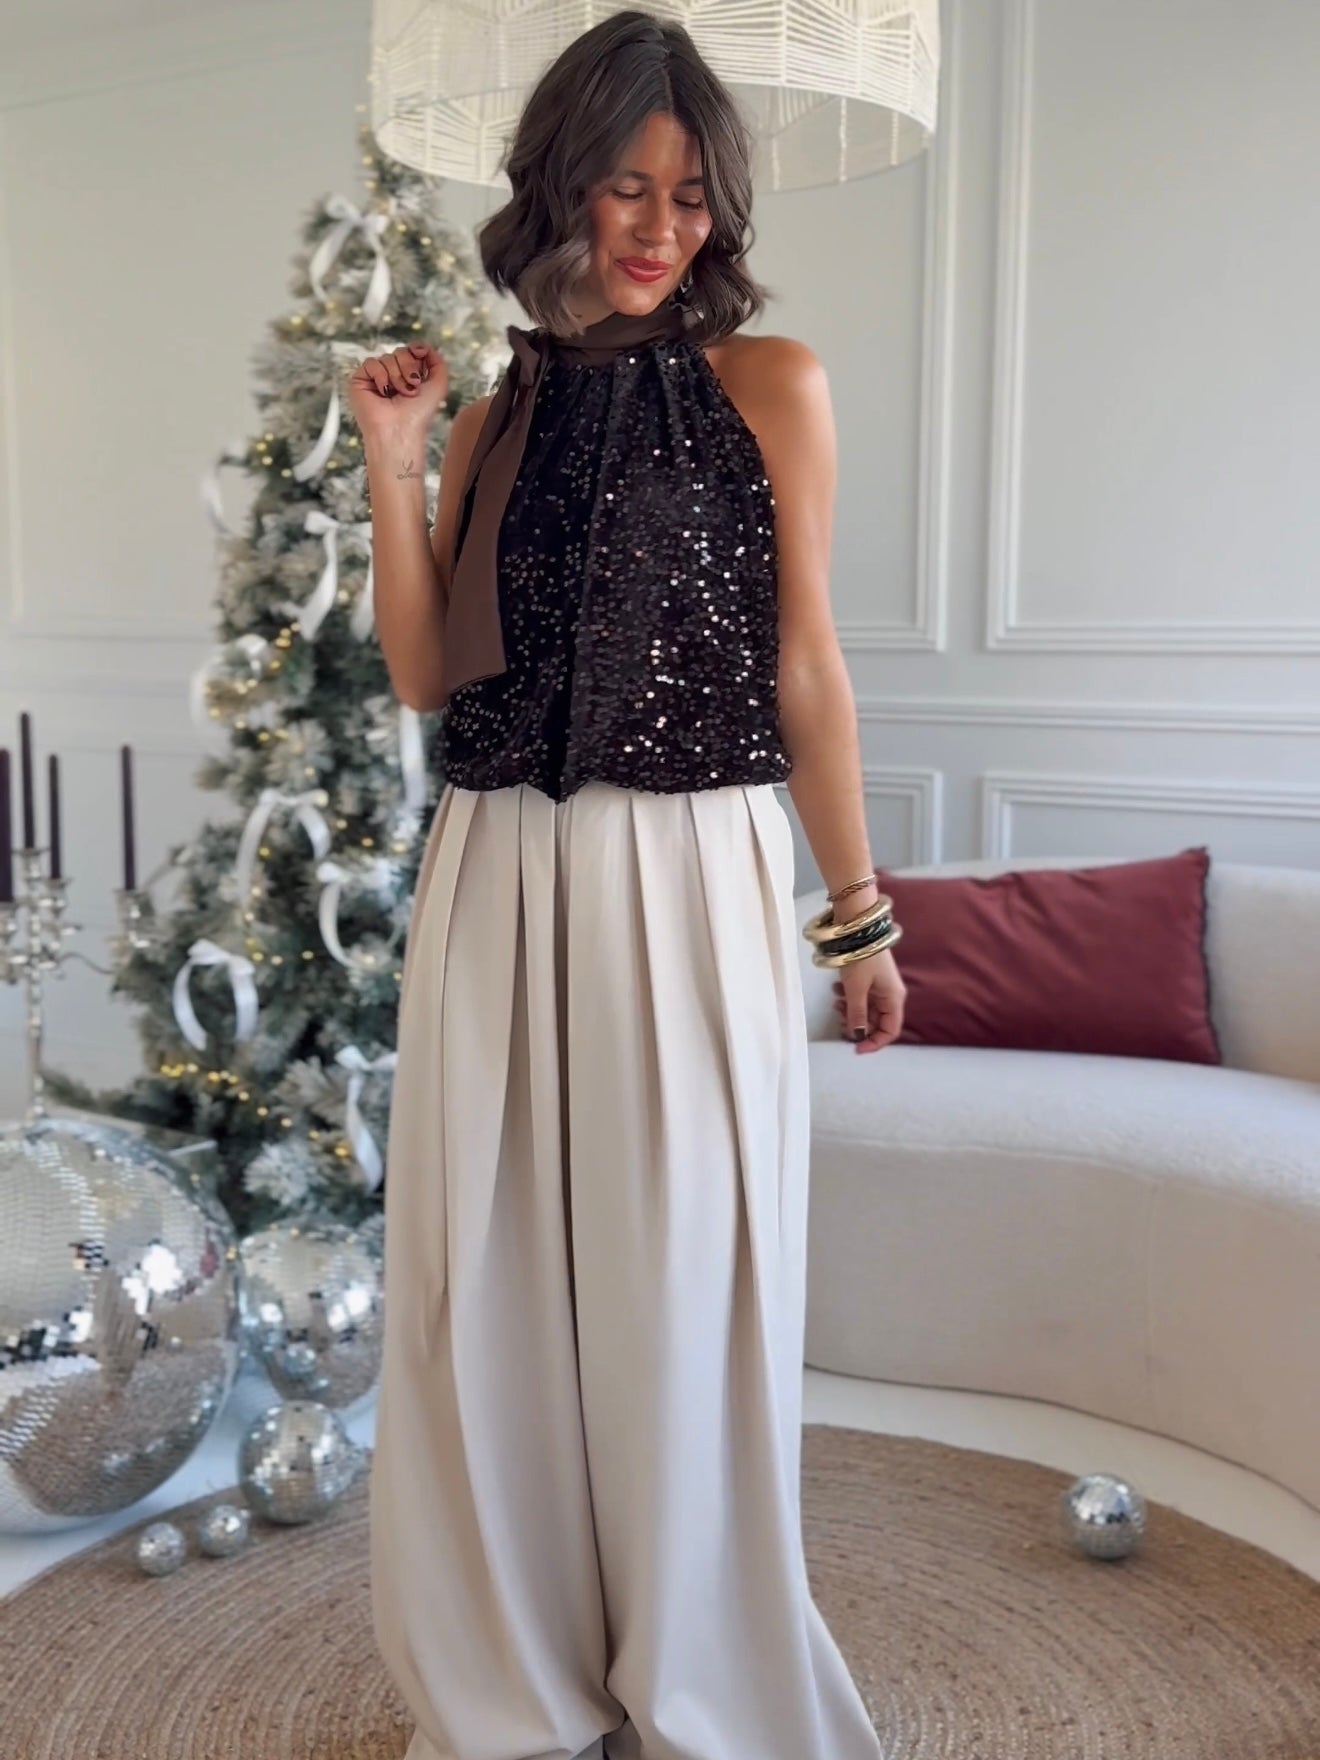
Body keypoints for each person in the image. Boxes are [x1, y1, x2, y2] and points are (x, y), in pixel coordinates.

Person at [352, 11, 907, 1758]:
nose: (660, 226)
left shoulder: (773, 384)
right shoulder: (497, 412)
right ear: (559, 193)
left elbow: (806, 666)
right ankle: (517, 1677)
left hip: (693, 869)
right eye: (622, 187)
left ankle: (696, 1674)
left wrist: (858, 914)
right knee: (493, 1281)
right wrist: (394, 458)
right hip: (496, 873)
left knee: (682, 1276)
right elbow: (428, 672)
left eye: (687, 193)